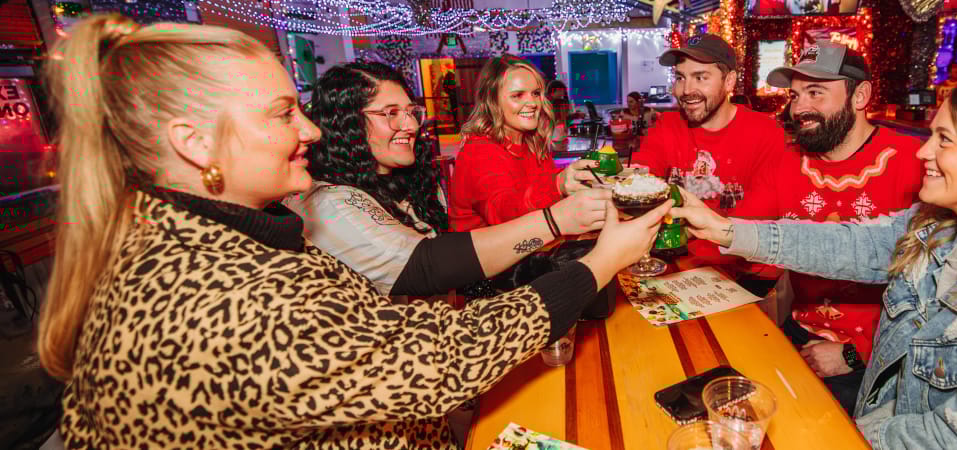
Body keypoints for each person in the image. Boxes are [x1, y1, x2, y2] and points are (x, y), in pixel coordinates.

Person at [37, 14, 670, 448]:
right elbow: (441, 357)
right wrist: (598, 261)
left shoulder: (205, 242)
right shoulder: (219, 293)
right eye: (283, 113)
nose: (309, 130)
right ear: (194, 142)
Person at [671, 66, 957, 448]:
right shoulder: (941, 226)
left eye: (945, 140)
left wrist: (814, 434)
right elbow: (851, 244)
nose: (923, 153)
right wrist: (724, 229)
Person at [286, 61, 611, 297]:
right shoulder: (329, 202)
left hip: (453, 314)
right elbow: (429, 265)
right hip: (466, 308)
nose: (411, 125)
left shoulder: (409, 181)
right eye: (390, 113)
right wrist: (557, 209)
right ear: (345, 124)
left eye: (410, 111)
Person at [737, 41, 923, 414]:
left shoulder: (915, 164)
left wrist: (857, 353)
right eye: (795, 95)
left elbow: (944, 296)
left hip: (888, 358)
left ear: (861, 96)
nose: (799, 108)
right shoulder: (785, 163)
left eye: (816, 93)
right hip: (801, 335)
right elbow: (745, 247)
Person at [632, 33, 790, 280]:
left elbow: (755, 224)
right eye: (680, 78)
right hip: (675, 266)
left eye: (700, 77)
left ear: (729, 82)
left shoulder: (766, 133)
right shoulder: (667, 125)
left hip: (743, 275)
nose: (686, 90)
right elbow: (640, 182)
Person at [449, 56, 598, 232]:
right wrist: (558, 184)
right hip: (490, 249)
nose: (533, 103)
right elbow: (502, 213)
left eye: (536, 93)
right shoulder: (479, 150)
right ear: (492, 101)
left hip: (535, 242)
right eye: (517, 95)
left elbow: (541, 191)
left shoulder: (532, 142)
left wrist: (576, 179)